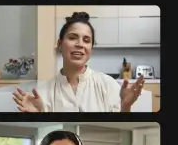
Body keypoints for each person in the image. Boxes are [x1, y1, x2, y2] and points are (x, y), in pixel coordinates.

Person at [12, 12, 145, 114]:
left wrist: (126, 106)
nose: (80, 44)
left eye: (86, 40)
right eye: (72, 38)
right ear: (60, 44)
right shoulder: (43, 93)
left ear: (91, 48)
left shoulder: (108, 84)